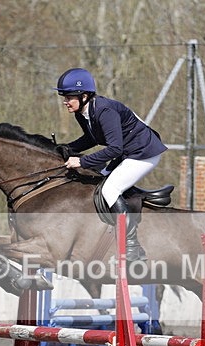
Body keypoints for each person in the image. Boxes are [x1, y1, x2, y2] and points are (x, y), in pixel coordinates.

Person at [53, 68, 167, 262]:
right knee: (96, 182)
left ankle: (132, 246)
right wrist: (65, 148)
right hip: (127, 153)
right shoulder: (82, 112)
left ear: (84, 96)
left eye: (69, 97)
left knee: (109, 189)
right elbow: (91, 138)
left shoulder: (104, 110)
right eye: (64, 96)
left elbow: (114, 149)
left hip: (143, 153)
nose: (65, 101)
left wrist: (81, 161)